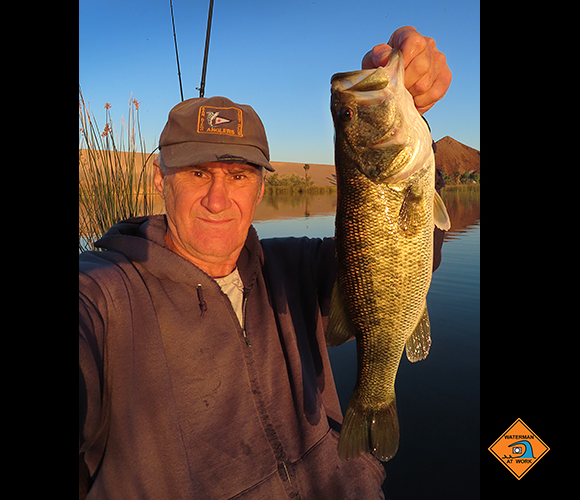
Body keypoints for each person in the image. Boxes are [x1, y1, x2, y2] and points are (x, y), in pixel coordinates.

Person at [79, 26, 451, 499]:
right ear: (159, 178)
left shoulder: (294, 266)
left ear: (260, 187)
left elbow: (415, 251)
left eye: (237, 175)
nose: (218, 199)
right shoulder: (104, 295)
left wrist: (415, 115)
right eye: (197, 173)